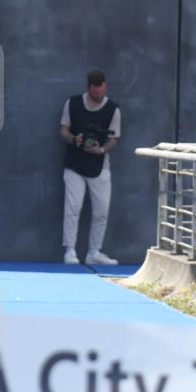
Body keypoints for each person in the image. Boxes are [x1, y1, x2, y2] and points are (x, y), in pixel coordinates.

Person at [59, 70, 120, 265]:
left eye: (102, 92)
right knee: (73, 207)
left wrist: (101, 150)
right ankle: (70, 251)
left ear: (105, 87)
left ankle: (94, 252)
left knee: (101, 210)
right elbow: (63, 129)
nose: (99, 96)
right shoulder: (72, 103)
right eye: (95, 93)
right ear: (88, 88)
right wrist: (73, 139)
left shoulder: (113, 109)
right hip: (74, 164)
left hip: (100, 165)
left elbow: (114, 138)